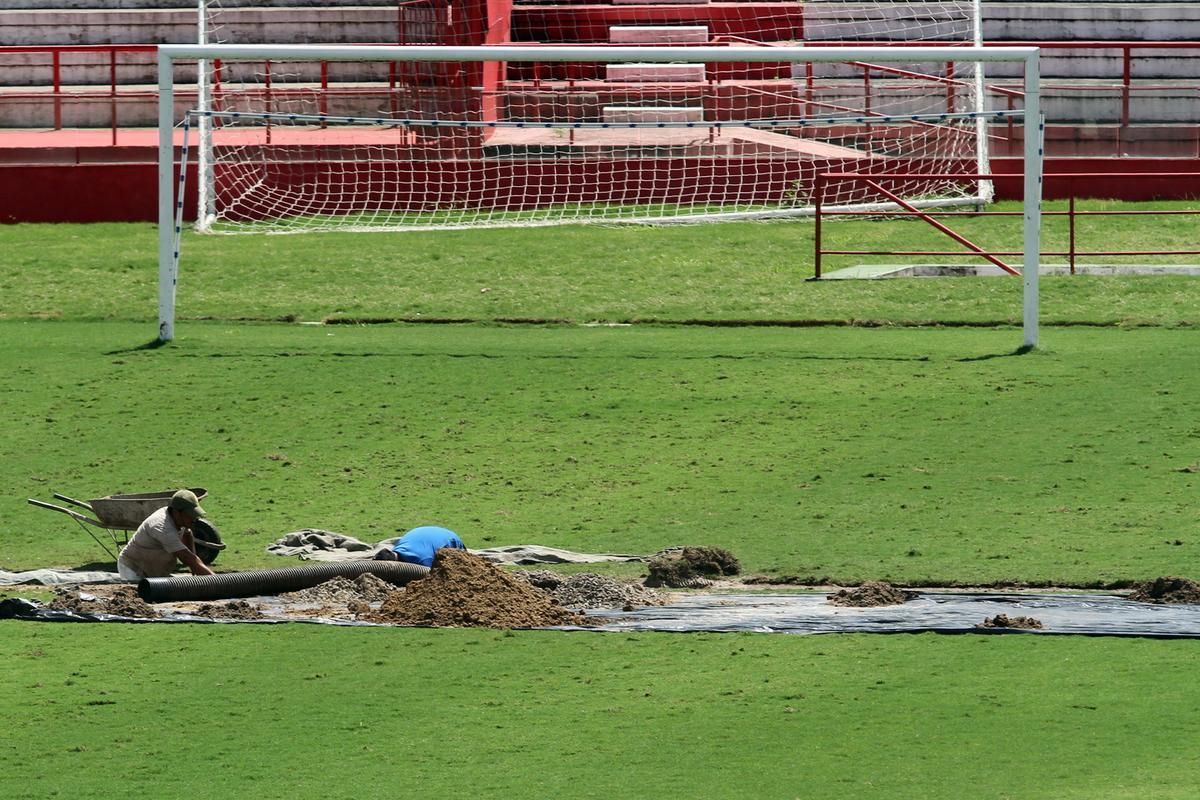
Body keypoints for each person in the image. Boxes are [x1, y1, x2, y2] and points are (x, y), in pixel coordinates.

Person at [117, 489, 217, 580]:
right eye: (190, 515)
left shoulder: (178, 519)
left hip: (154, 569)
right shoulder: (163, 528)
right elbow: (187, 557)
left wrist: (194, 567)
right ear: (177, 513)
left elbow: (187, 533)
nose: (194, 519)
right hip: (133, 569)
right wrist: (217, 581)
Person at [374, 525, 465, 567]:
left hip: (452, 540)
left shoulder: (422, 560)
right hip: (429, 533)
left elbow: (429, 578)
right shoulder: (398, 549)